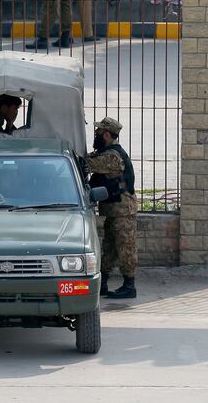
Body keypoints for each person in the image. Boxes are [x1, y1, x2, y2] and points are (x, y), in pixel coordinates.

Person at [88, 117, 138, 299]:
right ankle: (103, 283)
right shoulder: (106, 152)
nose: (96, 135)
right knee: (109, 247)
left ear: (107, 134)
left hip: (123, 211)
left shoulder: (112, 156)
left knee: (126, 247)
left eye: (99, 132)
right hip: (114, 210)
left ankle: (129, 285)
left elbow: (88, 164)